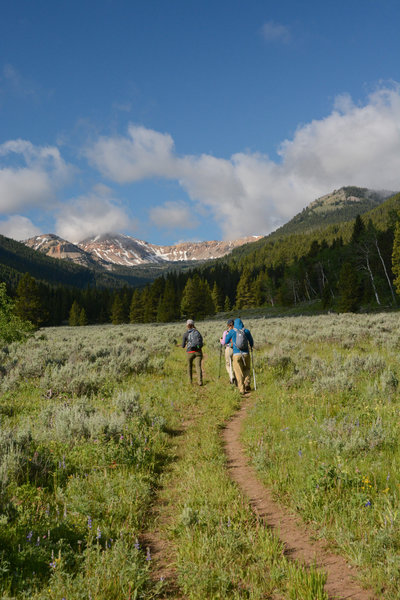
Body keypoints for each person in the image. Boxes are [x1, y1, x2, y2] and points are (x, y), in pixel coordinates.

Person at [224, 317, 254, 395]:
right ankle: (247, 382)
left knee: (238, 372)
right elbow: (251, 341)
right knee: (247, 368)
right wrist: (250, 346)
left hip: (236, 354)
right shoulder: (246, 331)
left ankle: (241, 389)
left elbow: (226, 341)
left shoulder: (232, 331)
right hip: (246, 354)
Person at [182, 319, 203, 385]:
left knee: (189, 366)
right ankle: (200, 381)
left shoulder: (185, 334)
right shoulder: (197, 332)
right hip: (198, 352)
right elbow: (201, 341)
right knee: (198, 366)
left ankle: (190, 381)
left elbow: (183, 345)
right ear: (193, 325)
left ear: (187, 325)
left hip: (190, 352)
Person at [220, 319, 236, 384]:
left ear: (228, 325)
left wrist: (220, 340)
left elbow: (224, 343)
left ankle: (231, 377)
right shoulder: (236, 331)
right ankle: (236, 376)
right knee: (235, 364)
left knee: (228, 364)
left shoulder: (226, 332)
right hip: (235, 349)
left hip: (228, 349)